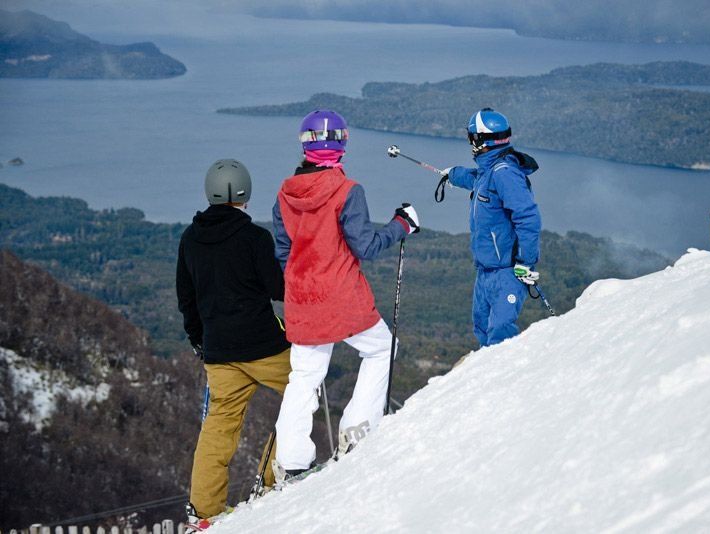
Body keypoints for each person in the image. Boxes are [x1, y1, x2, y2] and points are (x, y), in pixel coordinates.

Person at [271, 109, 420, 482]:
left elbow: (283, 253)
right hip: (342, 295)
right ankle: (357, 428)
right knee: (382, 348)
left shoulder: (285, 194)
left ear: (305, 144)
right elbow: (366, 246)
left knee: (303, 376)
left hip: (302, 299)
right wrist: (402, 226)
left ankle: (290, 458)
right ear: (342, 143)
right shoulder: (347, 191)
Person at [176, 159, 291, 530]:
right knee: (302, 391)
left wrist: (200, 341)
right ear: (245, 194)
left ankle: (204, 509)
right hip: (265, 345)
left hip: (220, 352)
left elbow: (187, 299)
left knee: (220, 425)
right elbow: (278, 289)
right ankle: (273, 477)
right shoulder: (255, 238)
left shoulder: (190, 239)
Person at [444, 108, 542, 347]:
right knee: (481, 326)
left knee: (500, 332)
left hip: (507, 271)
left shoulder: (504, 173)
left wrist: (525, 262)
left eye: (471, 137)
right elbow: (475, 179)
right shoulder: (489, 171)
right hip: (486, 270)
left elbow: (528, 218)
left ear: (480, 140)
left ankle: (505, 380)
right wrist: (452, 174)